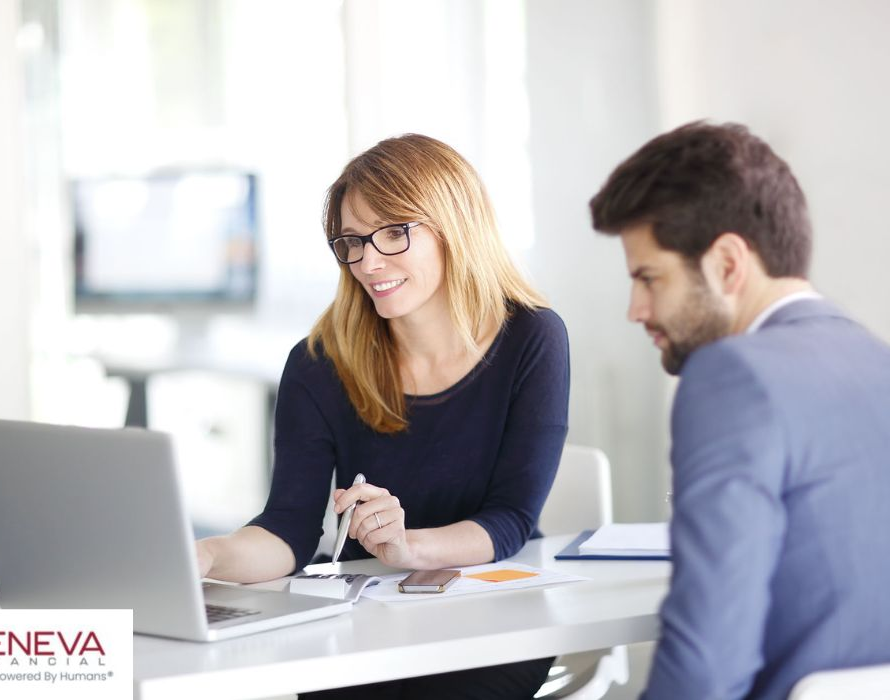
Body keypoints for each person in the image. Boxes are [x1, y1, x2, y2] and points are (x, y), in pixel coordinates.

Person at [197, 133, 570, 698]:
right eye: (352, 241)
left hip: (494, 612)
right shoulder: (319, 363)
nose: (368, 262)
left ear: (453, 226)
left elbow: (511, 518)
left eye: (394, 233)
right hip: (367, 617)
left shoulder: (532, 337)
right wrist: (208, 554)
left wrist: (408, 546)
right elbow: (289, 528)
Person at [589, 121, 890, 700]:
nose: (636, 309)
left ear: (727, 264)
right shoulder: (876, 357)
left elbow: (706, 665)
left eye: (649, 278)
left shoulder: (731, 375)